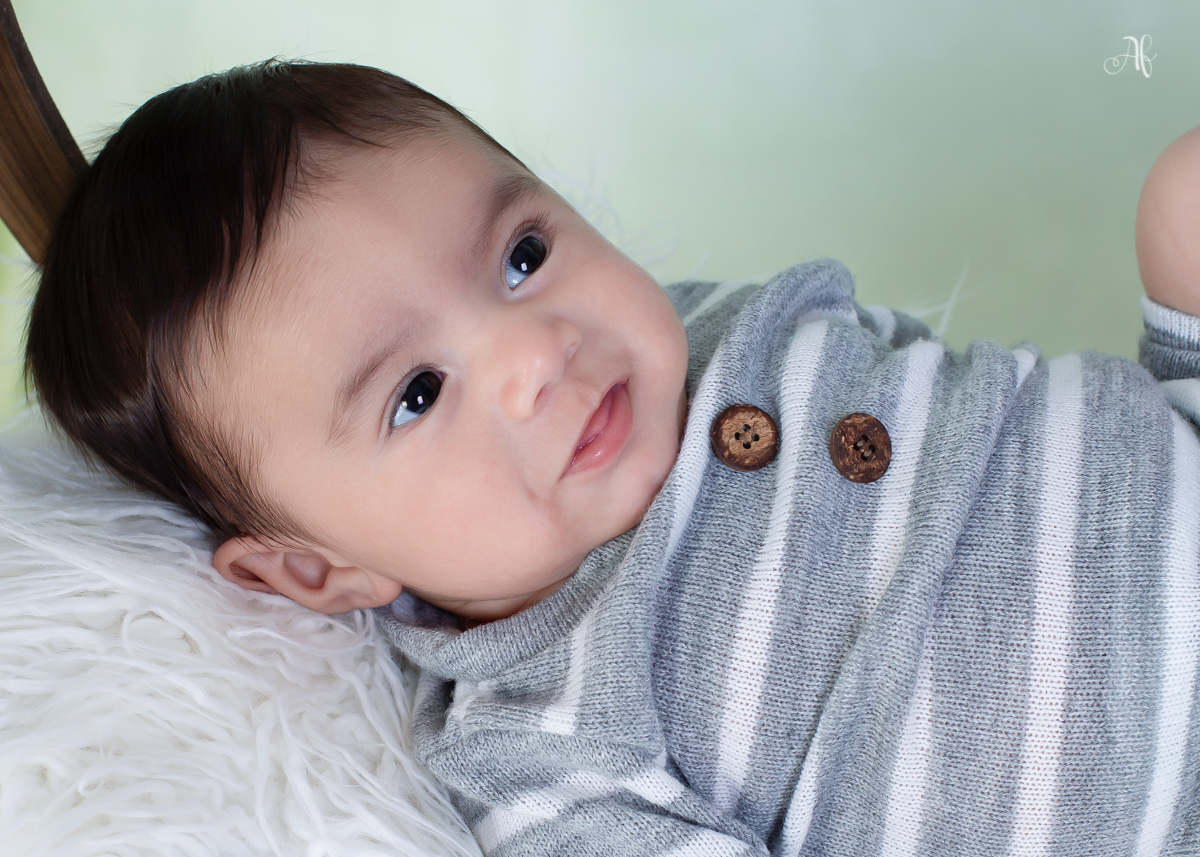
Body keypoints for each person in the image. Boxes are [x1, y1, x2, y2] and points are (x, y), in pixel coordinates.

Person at [23, 60, 1200, 856]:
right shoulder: (543, 745)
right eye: (418, 393)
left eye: (524, 255)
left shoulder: (710, 333)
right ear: (314, 568)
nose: (536, 351)